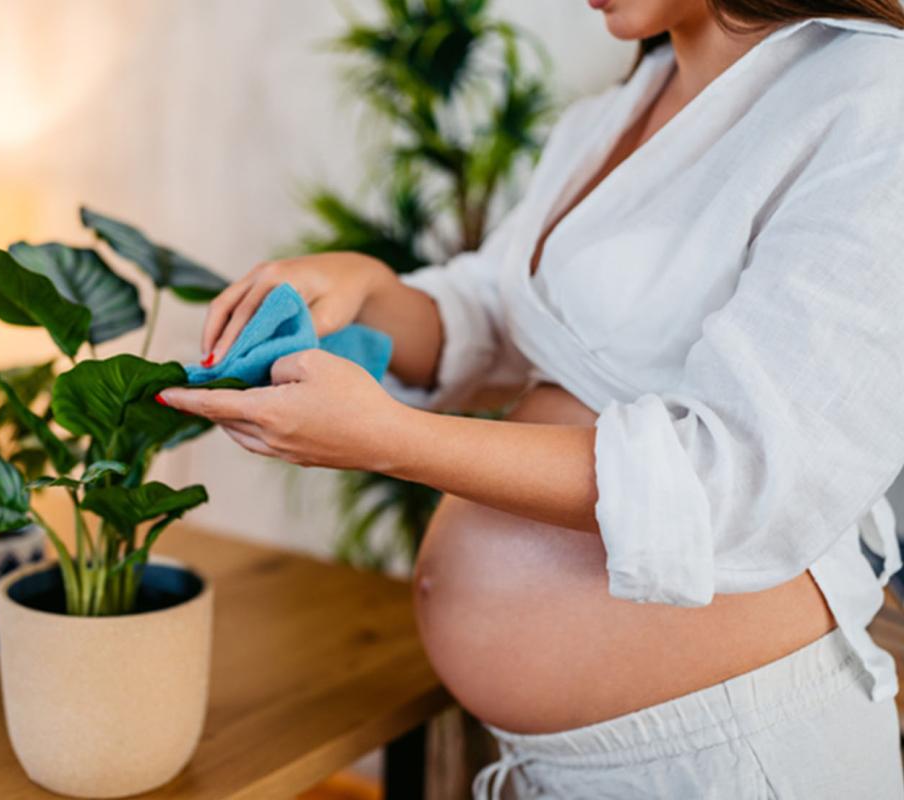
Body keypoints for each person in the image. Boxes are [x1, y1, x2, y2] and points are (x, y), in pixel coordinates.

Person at [157, 0, 904, 796]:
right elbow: (499, 313)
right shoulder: (624, 105)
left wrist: (394, 440)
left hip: (729, 762)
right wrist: (364, 288)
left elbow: (744, 479)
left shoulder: (873, 98)